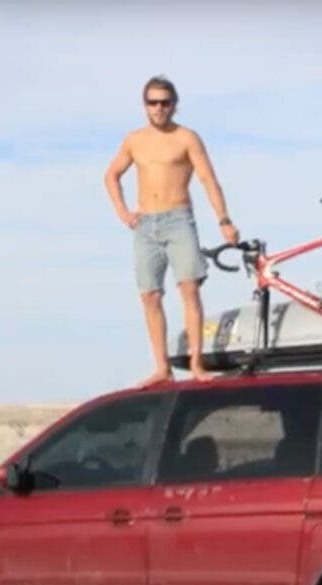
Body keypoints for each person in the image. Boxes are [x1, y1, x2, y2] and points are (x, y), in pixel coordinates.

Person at [104, 75, 239, 386]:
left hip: (179, 219)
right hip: (145, 223)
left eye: (165, 102)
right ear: (145, 106)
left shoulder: (187, 138)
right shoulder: (134, 140)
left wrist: (224, 220)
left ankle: (196, 363)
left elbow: (208, 179)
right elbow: (111, 175)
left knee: (189, 288)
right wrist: (124, 213)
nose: (159, 108)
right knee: (150, 295)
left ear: (175, 105)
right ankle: (161, 367)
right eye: (153, 102)